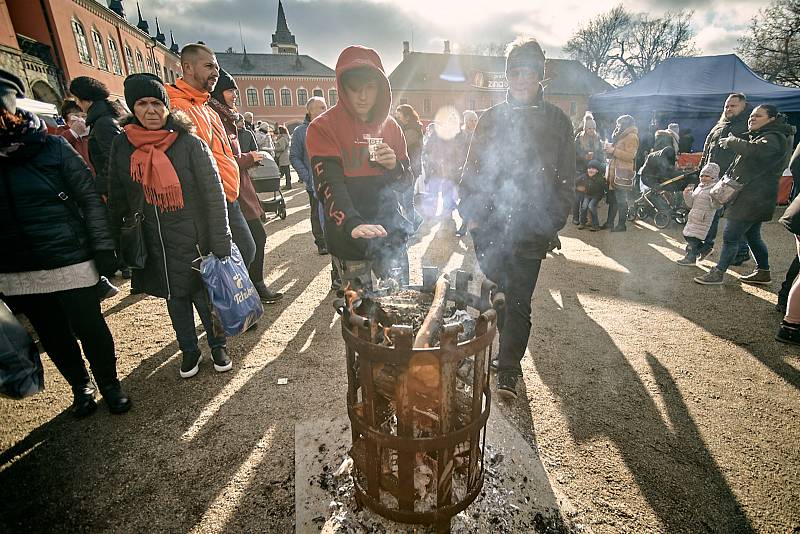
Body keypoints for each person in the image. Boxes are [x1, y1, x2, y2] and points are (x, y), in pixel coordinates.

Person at [0, 69, 131, 416]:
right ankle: (80, 385)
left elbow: (88, 196)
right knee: (51, 333)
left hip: (68, 255)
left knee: (89, 326)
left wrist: (103, 248)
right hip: (16, 264)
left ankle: (109, 383)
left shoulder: (50, 146)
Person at [459, 37, 575, 400]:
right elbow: (472, 173)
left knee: (519, 300)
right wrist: (473, 219)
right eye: (514, 71)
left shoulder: (558, 121)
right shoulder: (491, 119)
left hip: (531, 230)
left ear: (540, 74)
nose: (521, 78)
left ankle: (509, 368)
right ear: (507, 75)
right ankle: (499, 352)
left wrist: (549, 221)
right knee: (498, 294)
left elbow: (566, 181)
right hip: (491, 228)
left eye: (528, 71)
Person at [108, 73, 233, 378]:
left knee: (206, 296)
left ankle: (218, 345)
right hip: (155, 240)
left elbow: (214, 196)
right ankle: (188, 350)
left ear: (166, 107)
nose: (150, 110)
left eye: (156, 103)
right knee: (175, 299)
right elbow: (118, 196)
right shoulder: (122, 147)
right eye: (142, 104)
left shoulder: (189, 143)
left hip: (195, 238)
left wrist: (221, 240)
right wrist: (118, 241)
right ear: (132, 109)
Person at [306, 45, 413, 287]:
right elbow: (328, 185)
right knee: (359, 316)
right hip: (349, 235)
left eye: (370, 88)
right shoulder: (323, 127)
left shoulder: (391, 126)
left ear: (381, 88)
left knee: (401, 303)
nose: (363, 97)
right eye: (355, 89)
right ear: (342, 88)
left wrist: (395, 166)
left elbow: (407, 184)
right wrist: (351, 223)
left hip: (389, 232)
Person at [166, 43, 257, 268]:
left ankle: (228, 299)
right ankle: (222, 301)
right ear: (187, 67)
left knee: (244, 250)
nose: (215, 73)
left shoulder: (206, 106)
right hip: (212, 197)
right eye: (208, 66)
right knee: (235, 253)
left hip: (227, 192)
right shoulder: (179, 107)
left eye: (216, 67)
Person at [694, 105, 795, 285]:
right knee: (753, 236)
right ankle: (763, 272)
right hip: (755, 197)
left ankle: (718, 273)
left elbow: (755, 151)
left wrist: (733, 141)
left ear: (771, 119)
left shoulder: (774, 138)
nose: (752, 118)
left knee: (730, 236)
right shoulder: (766, 135)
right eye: (751, 116)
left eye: (758, 116)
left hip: (753, 197)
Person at [208, 68, 283, 303]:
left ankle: (252, 287)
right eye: (230, 91)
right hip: (231, 191)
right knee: (250, 242)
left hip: (241, 186)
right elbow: (219, 160)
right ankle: (247, 290)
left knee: (255, 238)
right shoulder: (215, 118)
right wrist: (250, 158)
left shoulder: (227, 118)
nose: (234, 96)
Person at [700, 93, 753, 263]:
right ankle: (706, 246)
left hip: (732, 180)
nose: (728, 109)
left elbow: (750, 152)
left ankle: (741, 252)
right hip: (713, 179)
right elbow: (708, 149)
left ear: (743, 106)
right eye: (726, 106)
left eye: (733, 106)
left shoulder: (749, 126)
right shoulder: (720, 125)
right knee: (711, 214)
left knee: (735, 217)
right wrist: (701, 171)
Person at [291, 96, 329, 254]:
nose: (325, 110)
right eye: (321, 107)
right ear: (310, 110)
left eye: (325, 106)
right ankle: (321, 242)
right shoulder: (300, 131)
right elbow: (294, 156)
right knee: (316, 213)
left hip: (332, 179)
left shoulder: (330, 127)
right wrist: (307, 176)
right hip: (313, 182)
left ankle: (334, 239)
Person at [677, 163, 721, 265]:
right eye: (702, 175)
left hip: (703, 218)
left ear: (714, 177)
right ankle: (704, 250)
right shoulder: (699, 187)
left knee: (692, 239)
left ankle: (691, 258)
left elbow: (717, 206)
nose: (703, 178)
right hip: (693, 217)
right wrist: (687, 195)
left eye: (707, 176)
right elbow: (690, 204)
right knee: (687, 236)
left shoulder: (714, 189)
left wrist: (716, 198)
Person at [422, 110, 461, 222]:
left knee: (447, 192)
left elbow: (458, 153)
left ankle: (447, 213)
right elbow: (428, 149)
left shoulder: (455, 136)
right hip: (436, 168)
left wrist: (454, 164)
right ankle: (431, 213)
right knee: (434, 191)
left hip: (449, 170)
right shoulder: (436, 134)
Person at [602, 115, 639, 232]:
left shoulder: (632, 136)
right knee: (613, 199)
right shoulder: (621, 135)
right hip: (615, 171)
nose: (617, 126)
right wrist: (609, 149)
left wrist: (614, 150)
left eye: (619, 124)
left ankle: (622, 225)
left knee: (621, 200)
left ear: (625, 124)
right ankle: (609, 223)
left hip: (622, 173)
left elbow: (630, 156)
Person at [394, 103, 425, 232]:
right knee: (401, 200)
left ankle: (410, 228)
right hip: (403, 169)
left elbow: (401, 144)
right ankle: (417, 219)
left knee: (407, 203)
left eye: (399, 116)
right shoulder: (406, 128)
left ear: (407, 117)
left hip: (411, 170)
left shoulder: (412, 130)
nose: (397, 118)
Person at [573, 112, 604, 225]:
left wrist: (595, 160)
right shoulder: (579, 138)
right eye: (589, 128)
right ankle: (575, 217)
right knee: (578, 195)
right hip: (580, 170)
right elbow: (573, 154)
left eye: (592, 128)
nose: (591, 130)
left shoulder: (597, 138)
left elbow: (601, 155)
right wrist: (584, 157)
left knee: (589, 195)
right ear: (585, 128)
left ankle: (585, 219)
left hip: (592, 171)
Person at [576, 160, 605, 230]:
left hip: (596, 195)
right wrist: (577, 187)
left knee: (591, 206)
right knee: (584, 207)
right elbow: (576, 181)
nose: (590, 170)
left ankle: (595, 225)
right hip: (587, 194)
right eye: (589, 168)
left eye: (593, 168)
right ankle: (582, 223)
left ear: (597, 171)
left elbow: (604, 187)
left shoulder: (600, 178)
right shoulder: (584, 176)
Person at [273, 125, 292, 190]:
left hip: (283, 157)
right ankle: (288, 184)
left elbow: (282, 148)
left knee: (283, 172)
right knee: (286, 172)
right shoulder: (285, 137)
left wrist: (274, 149)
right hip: (285, 156)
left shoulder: (283, 138)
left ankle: (287, 185)